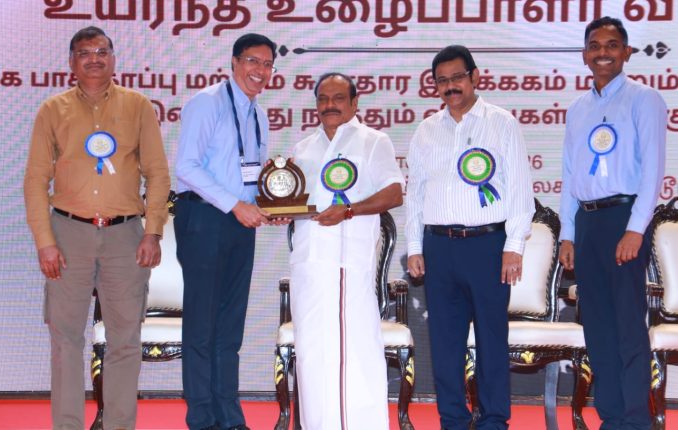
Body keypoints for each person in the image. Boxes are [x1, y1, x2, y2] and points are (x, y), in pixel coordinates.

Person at [23, 26, 170, 430]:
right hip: (68, 234)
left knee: (125, 340)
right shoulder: (52, 110)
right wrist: (45, 242)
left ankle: (120, 425)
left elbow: (157, 173)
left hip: (126, 236)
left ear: (113, 59)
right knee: (66, 340)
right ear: (71, 61)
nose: (94, 59)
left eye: (102, 51)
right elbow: (35, 180)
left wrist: (153, 231)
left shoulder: (138, 106)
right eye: (85, 53)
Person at [405, 45, 534, 429]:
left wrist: (514, 246)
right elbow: (415, 194)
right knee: (445, 342)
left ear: (475, 77)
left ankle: (494, 420)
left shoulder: (501, 123)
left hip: (488, 247)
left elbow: (520, 190)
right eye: (442, 81)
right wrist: (414, 246)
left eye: (457, 78)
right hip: (439, 247)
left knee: (492, 338)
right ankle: (453, 420)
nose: (451, 86)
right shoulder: (426, 130)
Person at [558, 16, 666, 430]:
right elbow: (570, 176)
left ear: (626, 52)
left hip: (624, 219)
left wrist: (635, 229)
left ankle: (636, 421)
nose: (603, 52)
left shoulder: (645, 99)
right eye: (595, 46)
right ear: (585, 55)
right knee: (598, 327)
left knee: (627, 325)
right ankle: (612, 418)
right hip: (587, 223)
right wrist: (568, 235)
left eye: (612, 45)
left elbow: (652, 170)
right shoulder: (578, 108)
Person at [174, 33, 279, 430]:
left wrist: (271, 206)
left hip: (240, 223)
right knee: (202, 325)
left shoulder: (259, 114)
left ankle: (229, 417)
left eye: (267, 64)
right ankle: (202, 418)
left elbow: (253, 177)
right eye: (253, 61)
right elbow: (186, 167)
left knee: (230, 326)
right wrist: (236, 205)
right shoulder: (207, 103)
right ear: (234, 63)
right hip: (204, 220)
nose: (260, 71)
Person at [289, 72, 404, 429]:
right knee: (311, 355)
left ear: (355, 103)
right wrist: (280, 208)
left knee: (353, 355)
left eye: (338, 98)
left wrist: (350, 209)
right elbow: (295, 202)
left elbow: (394, 193)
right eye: (323, 99)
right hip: (307, 266)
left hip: (346, 267)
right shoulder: (303, 148)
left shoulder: (372, 141)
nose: (330, 105)